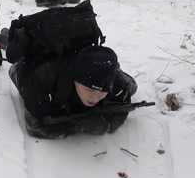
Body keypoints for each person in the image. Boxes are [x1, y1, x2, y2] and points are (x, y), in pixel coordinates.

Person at [9, 45, 138, 138]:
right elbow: (35, 126)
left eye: (102, 92)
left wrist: (108, 124)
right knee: (18, 64)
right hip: (30, 64)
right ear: (75, 80)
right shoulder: (45, 79)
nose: (94, 97)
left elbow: (122, 108)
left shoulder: (118, 84)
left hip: (82, 56)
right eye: (89, 89)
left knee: (132, 88)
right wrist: (78, 125)